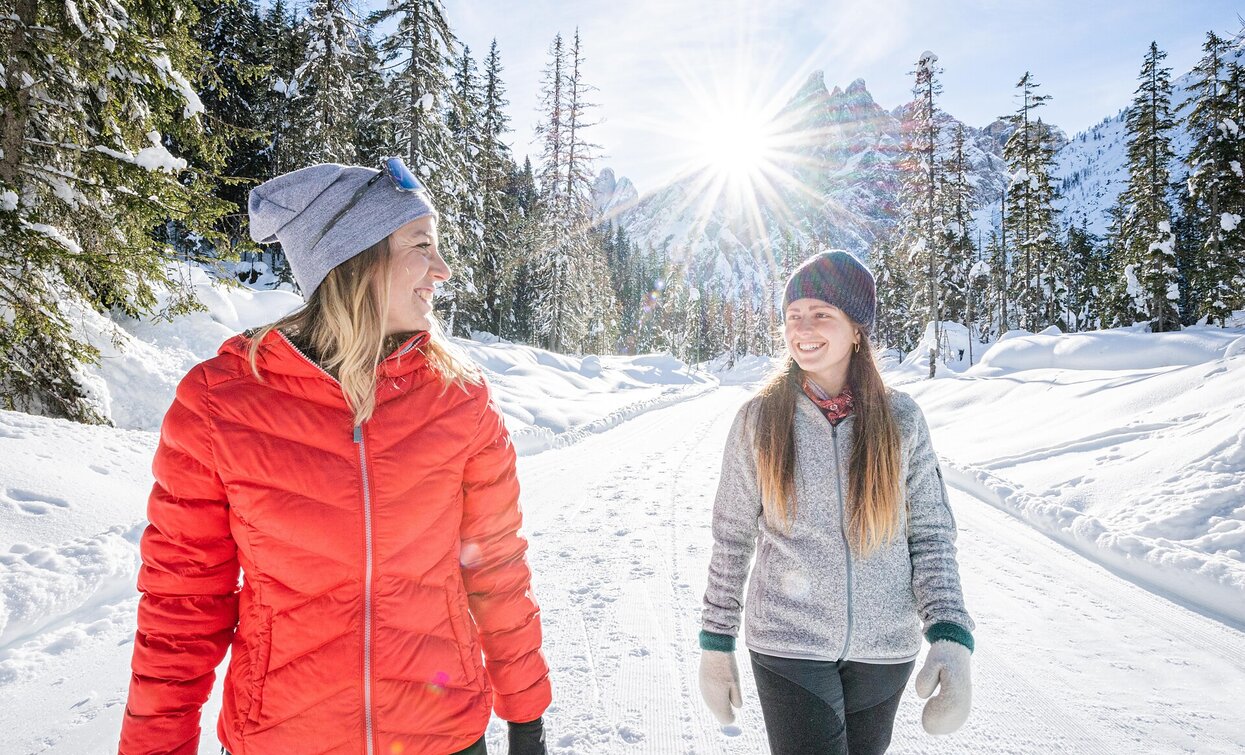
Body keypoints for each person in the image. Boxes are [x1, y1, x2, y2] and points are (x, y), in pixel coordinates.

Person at [118, 159, 551, 755]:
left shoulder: (459, 399)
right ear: (358, 258)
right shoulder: (220, 404)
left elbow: (496, 569)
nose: (442, 270)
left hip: (441, 736)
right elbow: (180, 606)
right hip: (281, 739)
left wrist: (527, 717)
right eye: (421, 245)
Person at [697, 250, 975, 754]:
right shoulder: (758, 420)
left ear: (857, 329)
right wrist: (716, 644)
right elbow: (732, 536)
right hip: (787, 642)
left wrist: (950, 636)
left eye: (821, 313)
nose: (803, 327)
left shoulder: (901, 420)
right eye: (793, 315)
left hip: (885, 647)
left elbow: (930, 534)